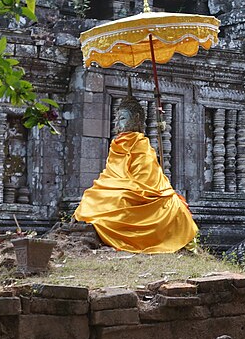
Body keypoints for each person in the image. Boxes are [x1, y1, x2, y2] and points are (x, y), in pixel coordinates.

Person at [73, 92, 198, 253]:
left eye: (123, 118)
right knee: (91, 196)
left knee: (120, 198)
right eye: (117, 119)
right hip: (115, 185)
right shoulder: (116, 144)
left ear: (137, 118)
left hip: (140, 191)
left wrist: (124, 187)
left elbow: (147, 182)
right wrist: (114, 185)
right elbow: (111, 173)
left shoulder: (141, 145)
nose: (118, 124)